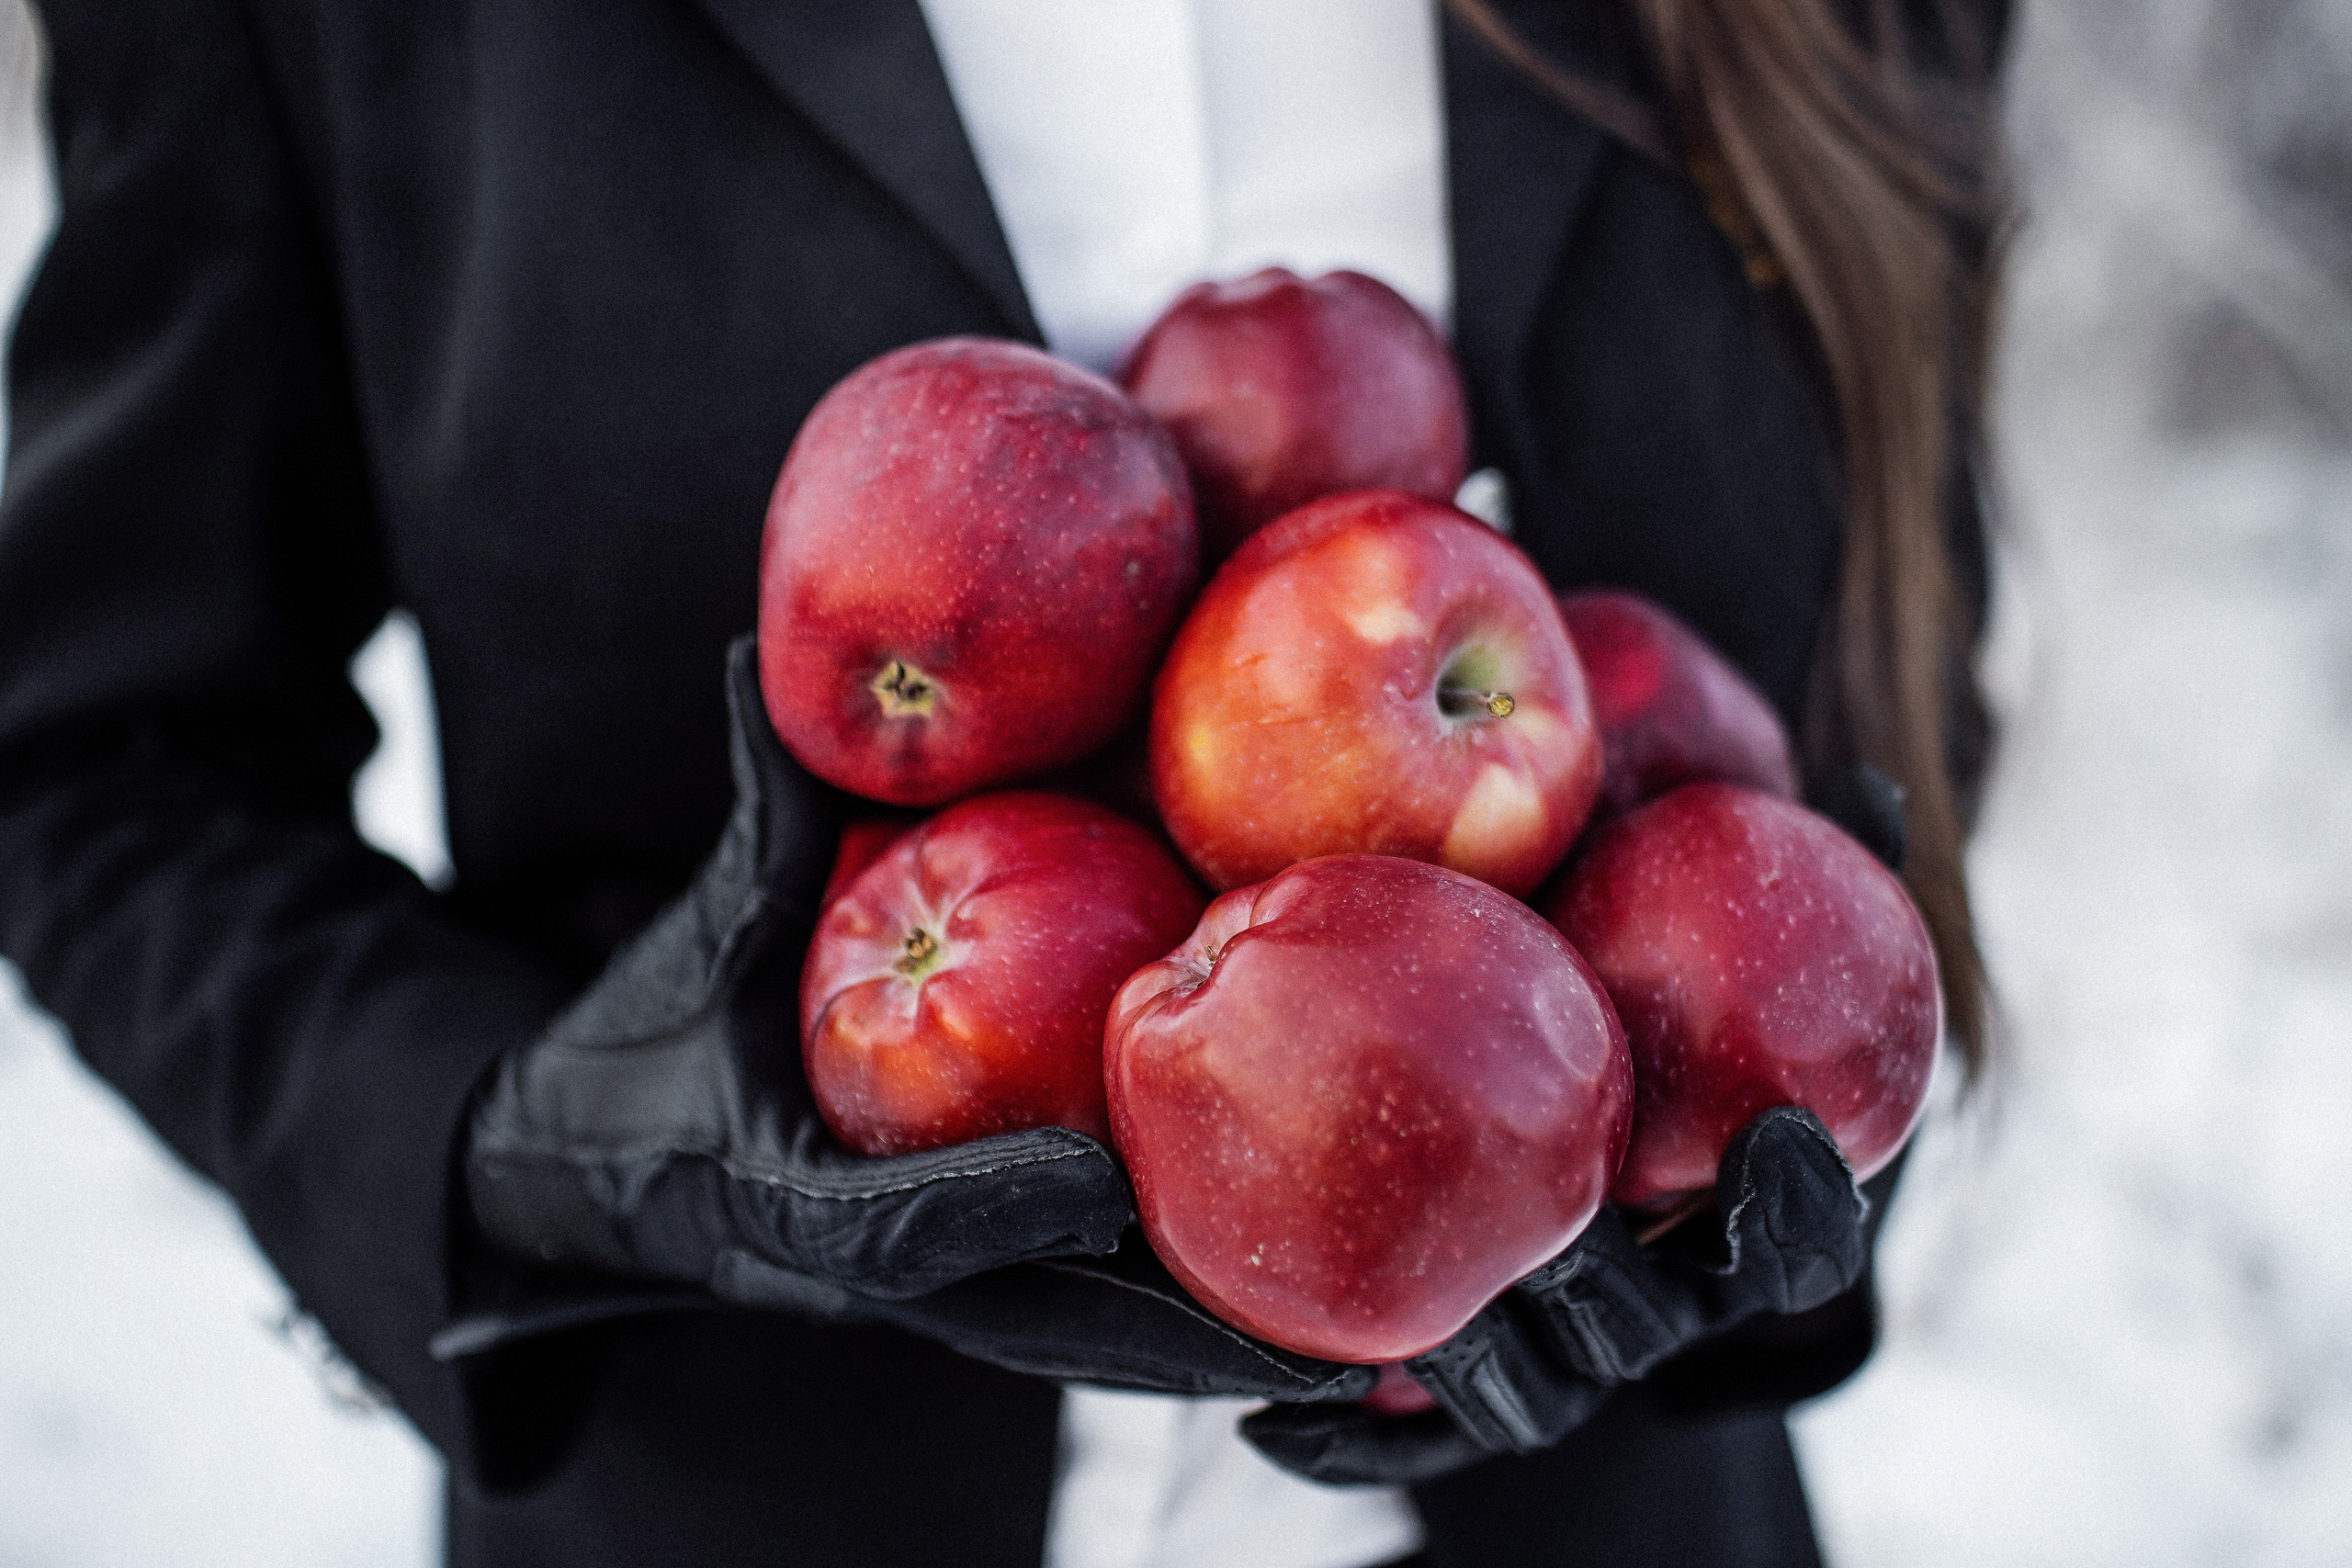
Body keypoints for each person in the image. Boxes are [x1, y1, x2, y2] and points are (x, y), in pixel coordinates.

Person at [0, 1, 2006, 1563]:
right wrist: (523, 1143)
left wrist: (1725, 1155)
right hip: (733, 1516)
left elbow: (1881, 667)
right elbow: (94, 757)